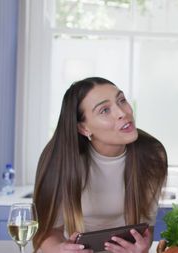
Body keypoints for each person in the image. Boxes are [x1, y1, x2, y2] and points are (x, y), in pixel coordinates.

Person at [32, 77, 168, 253]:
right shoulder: (59, 160)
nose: (122, 112)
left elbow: (146, 227)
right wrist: (59, 249)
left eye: (121, 100)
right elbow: (46, 230)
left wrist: (140, 248)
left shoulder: (152, 155)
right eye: (105, 110)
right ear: (83, 128)